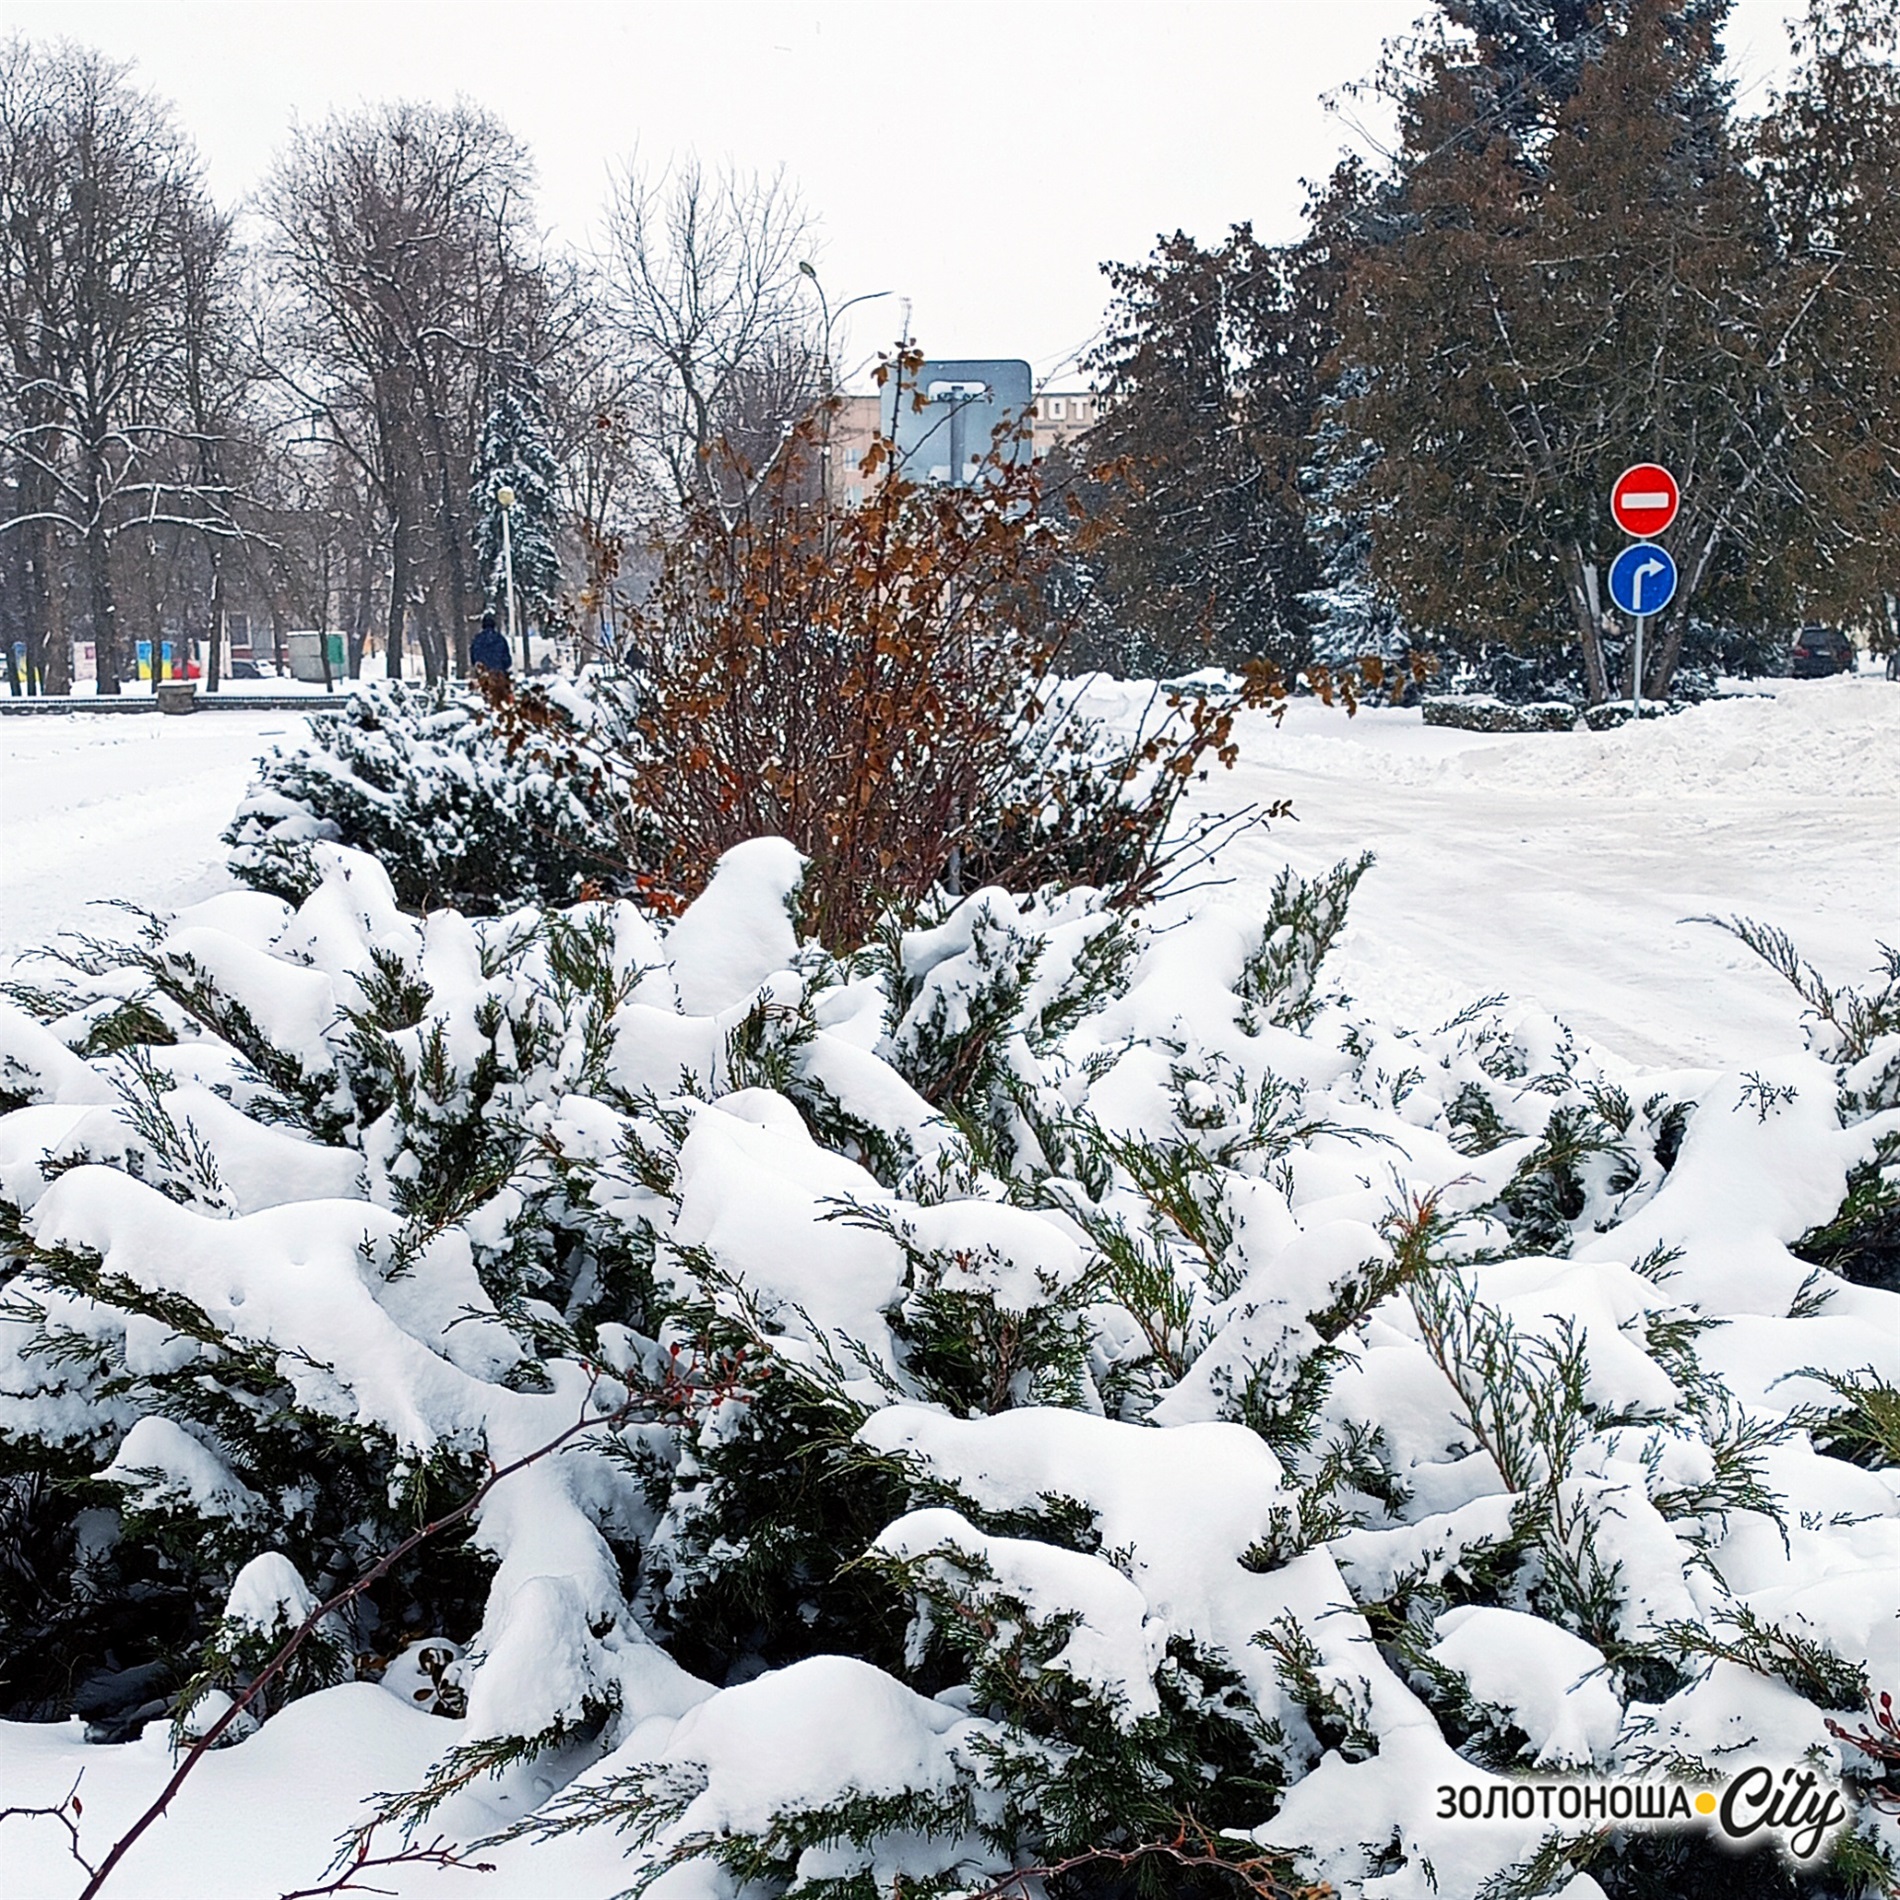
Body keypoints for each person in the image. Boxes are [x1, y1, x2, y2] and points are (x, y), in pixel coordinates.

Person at [470, 609, 511, 678]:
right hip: (498, 675)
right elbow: (507, 659)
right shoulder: (500, 639)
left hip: (482, 675)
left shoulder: (477, 639)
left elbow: (473, 658)